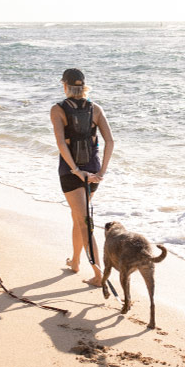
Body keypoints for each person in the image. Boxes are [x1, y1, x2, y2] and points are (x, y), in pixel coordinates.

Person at [50, 68, 114, 286]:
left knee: (83, 221)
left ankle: (99, 275)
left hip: (71, 172)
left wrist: (76, 170)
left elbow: (61, 143)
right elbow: (111, 142)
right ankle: (76, 262)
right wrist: (101, 172)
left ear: (64, 85)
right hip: (93, 172)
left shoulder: (57, 110)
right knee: (79, 217)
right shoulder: (95, 109)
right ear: (84, 85)